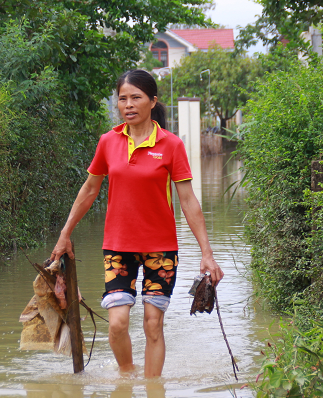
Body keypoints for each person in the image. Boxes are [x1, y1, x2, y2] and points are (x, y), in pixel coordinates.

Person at [50, 69, 223, 378]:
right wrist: (65, 234)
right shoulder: (108, 142)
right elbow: (89, 190)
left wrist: (206, 253)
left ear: (152, 101)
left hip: (161, 249)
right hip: (118, 247)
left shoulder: (171, 145)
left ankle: (153, 392)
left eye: (136, 98)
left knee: (153, 325)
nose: (128, 104)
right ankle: (128, 377)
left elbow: (188, 201)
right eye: (122, 99)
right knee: (117, 324)